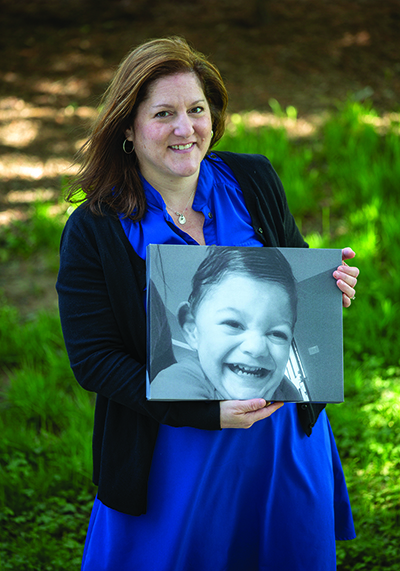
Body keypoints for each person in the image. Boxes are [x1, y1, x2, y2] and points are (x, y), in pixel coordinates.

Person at [56, 36, 359, 571]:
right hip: (171, 449)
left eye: (196, 110)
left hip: (281, 435)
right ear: (127, 128)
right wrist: (200, 412)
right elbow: (94, 359)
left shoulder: (253, 178)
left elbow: (294, 277)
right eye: (163, 113)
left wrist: (326, 290)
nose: (185, 128)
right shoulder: (93, 229)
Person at [150, 246, 302, 401]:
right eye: (233, 324)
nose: (256, 348)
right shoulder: (175, 383)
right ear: (192, 328)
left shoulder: (286, 391)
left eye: (277, 334)